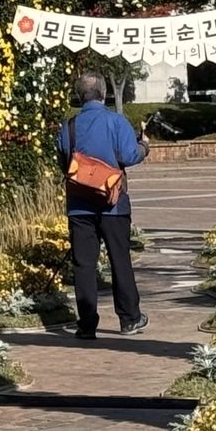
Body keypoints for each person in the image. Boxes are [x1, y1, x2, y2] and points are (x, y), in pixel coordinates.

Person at [57, 72, 149, 339]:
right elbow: (129, 156)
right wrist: (144, 146)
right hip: (113, 204)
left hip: (79, 205)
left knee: (84, 265)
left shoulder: (69, 126)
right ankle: (130, 318)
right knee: (120, 259)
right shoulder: (116, 122)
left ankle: (87, 325)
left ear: (79, 96)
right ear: (104, 93)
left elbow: (64, 162)